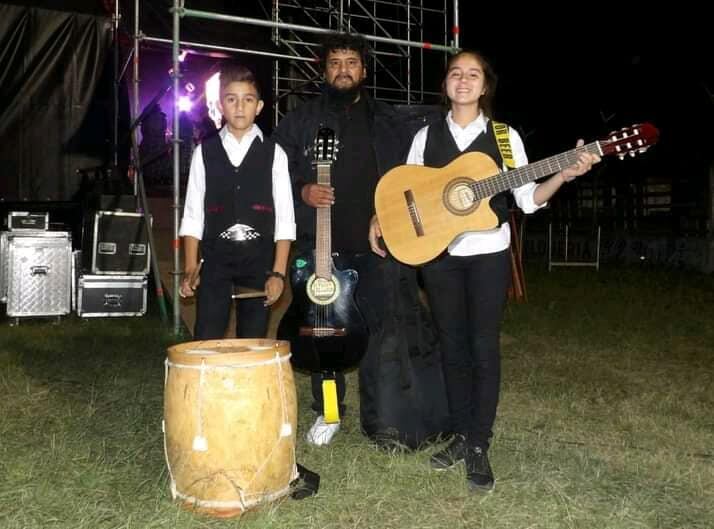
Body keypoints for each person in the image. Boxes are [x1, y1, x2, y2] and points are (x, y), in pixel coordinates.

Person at [375, 49, 600, 491]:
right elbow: (408, 189)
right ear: (445, 85)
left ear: (485, 86)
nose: (463, 80)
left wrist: (564, 176)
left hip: (488, 254)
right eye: (455, 73)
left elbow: (527, 200)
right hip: (439, 255)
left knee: (482, 346)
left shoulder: (503, 137)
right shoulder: (425, 136)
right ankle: (460, 435)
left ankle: (478, 442)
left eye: (472, 74)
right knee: (451, 346)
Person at [272, 33, 411, 446]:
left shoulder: (386, 119)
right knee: (324, 336)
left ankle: (380, 417)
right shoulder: (299, 119)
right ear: (324, 69)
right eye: (335, 62)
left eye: (351, 62)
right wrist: (303, 190)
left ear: (363, 70)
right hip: (320, 246)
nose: (344, 69)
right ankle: (330, 412)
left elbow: (406, 177)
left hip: (375, 246)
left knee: (378, 332)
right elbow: (275, 171)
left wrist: (386, 215)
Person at [179, 63, 296, 340]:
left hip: (259, 262)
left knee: (253, 340)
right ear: (221, 105)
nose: (240, 107)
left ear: (259, 106)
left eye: (248, 99)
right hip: (216, 261)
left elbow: (285, 219)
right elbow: (193, 214)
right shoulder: (204, 152)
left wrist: (278, 275)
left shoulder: (274, 153)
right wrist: (190, 267)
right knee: (206, 337)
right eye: (232, 99)